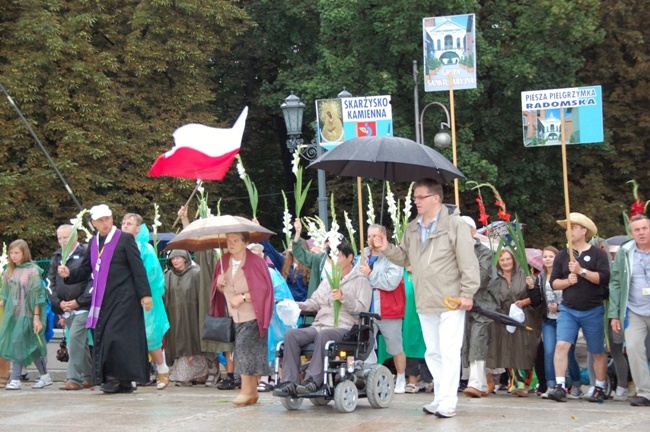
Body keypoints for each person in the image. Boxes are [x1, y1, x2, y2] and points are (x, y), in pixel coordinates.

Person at [376, 178, 480, 418]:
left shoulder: (455, 225)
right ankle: (440, 397)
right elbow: (405, 258)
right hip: (425, 299)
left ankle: (448, 401)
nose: (416, 201)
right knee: (432, 351)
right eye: (415, 197)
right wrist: (386, 247)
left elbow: (468, 261)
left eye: (421, 197)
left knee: (449, 351)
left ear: (436, 198)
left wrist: (467, 293)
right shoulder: (412, 227)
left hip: (451, 300)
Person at [58, 204, 153, 394]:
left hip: (125, 297)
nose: (105, 223)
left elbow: (138, 268)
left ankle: (114, 378)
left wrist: (145, 294)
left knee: (116, 337)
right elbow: (86, 270)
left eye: (107, 219)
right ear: (93, 223)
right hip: (104, 299)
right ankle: (123, 381)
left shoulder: (124, 239)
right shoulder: (93, 242)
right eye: (100, 220)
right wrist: (69, 273)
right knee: (109, 337)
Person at [273, 242, 372, 397]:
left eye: (338, 256)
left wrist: (344, 297)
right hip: (320, 324)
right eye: (332, 257)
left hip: (345, 326)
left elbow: (362, 309)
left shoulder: (361, 280)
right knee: (291, 335)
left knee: (324, 336)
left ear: (350, 257)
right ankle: (289, 382)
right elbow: (315, 303)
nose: (335, 260)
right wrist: (294, 304)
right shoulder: (328, 281)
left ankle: (313, 380)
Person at [547, 213, 610, 403]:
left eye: (573, 227)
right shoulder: (562, 255)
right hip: (568, 309)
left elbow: (604, 279)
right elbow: (553, 283)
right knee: (561, 345)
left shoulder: (598, 254)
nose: (569, 231)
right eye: (568, 227)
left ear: (584, 231)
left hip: (592, 309)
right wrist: (567, 281)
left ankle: (599, 387)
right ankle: (559, 385)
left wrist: (581, 271)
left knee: (597, 351)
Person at [210, 232, 274, 405]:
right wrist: (219, 284)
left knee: (244, 351)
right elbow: (223, 291)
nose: (231, 244)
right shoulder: (223, 261)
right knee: (246, 352)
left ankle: (246, 391)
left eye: (236, 240)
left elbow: (263, 290)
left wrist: (243, 297)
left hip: (253, 314)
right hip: (233, 315)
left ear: (246, 242)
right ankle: (252, 393)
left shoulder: (255, 261)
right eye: (229, 240)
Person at [120, 213, 171, 390]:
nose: (125, 226)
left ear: (139, 228)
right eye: (123, 223)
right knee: (128, 338)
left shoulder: (146, 250)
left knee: (150, 336)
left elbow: (153, 276)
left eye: (130, 223)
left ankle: (162, 368)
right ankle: (131, 375)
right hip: (124, 300)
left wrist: (142, 293)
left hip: (144, 299)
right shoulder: (117, 247)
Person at [354, 224, 406, 393]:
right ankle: (371, 379)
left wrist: (370, 274)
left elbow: (391, 282)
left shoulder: (394, 255)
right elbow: (354, 277)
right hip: (366, 309)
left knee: (395, 346)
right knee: (366, 346)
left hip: (388, 309)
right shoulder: (363, 255)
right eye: (369, 235)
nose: (372, 239)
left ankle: (401, 378)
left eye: (376, 235)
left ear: (384, 236)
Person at [487, 249, 542, 397]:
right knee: (509, 348)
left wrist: (525, 300)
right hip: (504, 317)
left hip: (525, 316)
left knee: (524, 348)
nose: (505, 262)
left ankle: (526, 384)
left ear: (513, 260)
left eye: (508, 259)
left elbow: (538, 297)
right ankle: (515, 382)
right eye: (502, 260)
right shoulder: (495, 278)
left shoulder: (525, 275)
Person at [609, 214, 650, 407]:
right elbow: (615, 283)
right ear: (631, 233)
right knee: (633, 348)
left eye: (644, 228)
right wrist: (615, 314)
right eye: (637, 230)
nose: (641, 233)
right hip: (634, 309)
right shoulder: (625, 252)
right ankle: (645, 392)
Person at [47, 224, 93, 390]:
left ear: (75, 236)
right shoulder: (57, 257)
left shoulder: (86, 254)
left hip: (83, 307)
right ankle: (89, 376)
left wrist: (79, 301)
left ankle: (73, 378)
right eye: (59, 238)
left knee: (75, 340)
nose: (62, 241)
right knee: (81, 342)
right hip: (65, 308)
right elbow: (50, 283)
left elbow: (92, 280)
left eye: (65, 237)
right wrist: (58, 303)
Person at [0, 239, 50, 390]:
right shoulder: (8, 271)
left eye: (17, 253)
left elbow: (37, 295)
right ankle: (45, 376)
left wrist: (36, 317)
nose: (13, 256)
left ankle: (15, 379)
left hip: (28, 314)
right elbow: (6, 295)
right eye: (11, 253)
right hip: (13, 315)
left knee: (17, 343)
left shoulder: (32, 271)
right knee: (32, 347)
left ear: (24, 253)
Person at [535, 246, 582, 399]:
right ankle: (551, 385)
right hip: (548, 320)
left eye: (551, 256)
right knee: (549, 352)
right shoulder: (540, 277)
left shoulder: (566, 275)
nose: (547, 259)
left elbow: (573, 297)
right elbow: (537, 299)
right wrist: (531, 288)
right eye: (545, 256)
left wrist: (560, 307)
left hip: (566, 318)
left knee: (568, 352)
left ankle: (575, 384)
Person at [247, 243, 295, 392]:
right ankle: (268, 377)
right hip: (254, 315)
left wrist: (270, 300)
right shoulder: (248, 274)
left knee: (270, 344)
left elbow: (281, 294)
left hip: (271, 316)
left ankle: (270, 377)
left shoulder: (271, 273)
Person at [460, 216, 498, 398]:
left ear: (473, 232)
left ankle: (474, 383)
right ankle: (481, 383)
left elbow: (482, 276)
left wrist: (462, 285)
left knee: (478, 338)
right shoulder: (452, 252)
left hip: (483, 302)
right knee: (466, 341)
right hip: (461, 303)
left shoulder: (484, 252)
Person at [164, 249, 209, 386]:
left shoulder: (195, 274)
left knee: (192, 340)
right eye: (173, 259)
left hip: (192, 314)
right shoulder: (169, 275)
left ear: (185, 258)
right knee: (178, 341)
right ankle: (182, 374)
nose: (175, 261)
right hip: (174, 314)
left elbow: (201, 296)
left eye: (178, 258)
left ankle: (198, 374)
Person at [260, 238, 310, 302]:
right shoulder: (284, 263)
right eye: (290, 243)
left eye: (293, 243)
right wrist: (259, 235)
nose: (290, 244)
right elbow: (270, 250)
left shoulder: (309, 265)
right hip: (286, 305)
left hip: (304, 306)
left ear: (302, 247)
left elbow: (313, 289)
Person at [291, 219, 331, 299]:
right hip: (321, 299)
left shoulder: (345, 259)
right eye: (331, 240)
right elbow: (299, 253)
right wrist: (298, 233)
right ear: (325, 243)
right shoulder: (318, 259)